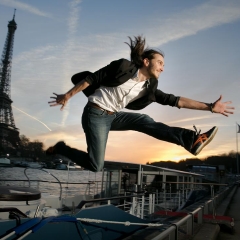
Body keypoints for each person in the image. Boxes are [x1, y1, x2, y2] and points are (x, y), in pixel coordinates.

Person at [47, 36, 234, 172]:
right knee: (96, 166)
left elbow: (177, 101)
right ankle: (62, 148)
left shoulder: (149, 88)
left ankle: (191, 139)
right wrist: (68, 95)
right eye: (160, 62)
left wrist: (210, 106)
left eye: (164, 64)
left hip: (114, 116)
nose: (163, 67)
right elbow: (91, 78)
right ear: (146, 61)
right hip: (95, 114)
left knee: (144, 120)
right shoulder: (122, 67)